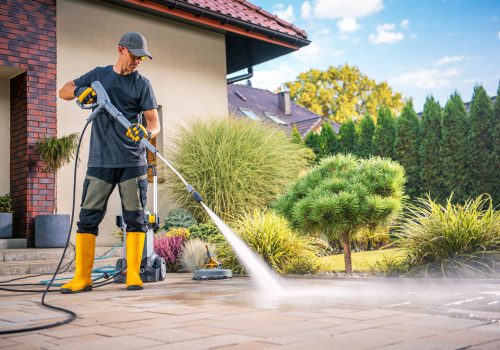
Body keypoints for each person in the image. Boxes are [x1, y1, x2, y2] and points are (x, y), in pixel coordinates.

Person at [58, 32, 160, 292]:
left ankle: (134, 275)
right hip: (100, 161)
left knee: (135, 218)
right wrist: (82, 92)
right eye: (135, 55)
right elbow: (64, 91)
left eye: (141, 57)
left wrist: (147, 133)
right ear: (121, 50)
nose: (138, 61)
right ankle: (83, 277)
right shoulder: (99, 75)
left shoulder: (142, 84)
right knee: (88, 218)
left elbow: (154, 122)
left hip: (132, 161)